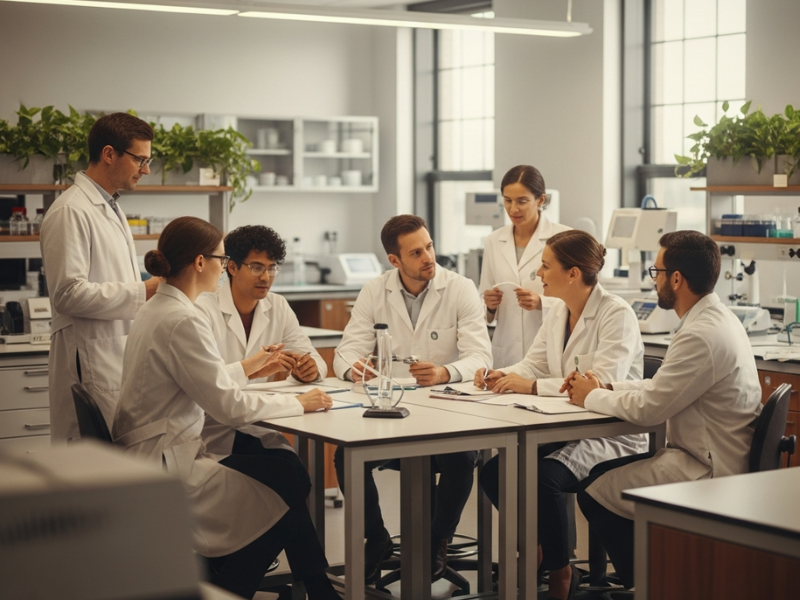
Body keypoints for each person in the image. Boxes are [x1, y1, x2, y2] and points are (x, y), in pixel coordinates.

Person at [112, 216, 341, 600]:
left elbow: (203, 380)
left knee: (286, 472)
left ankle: (287, 586)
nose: (223, 267)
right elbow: (228, 406)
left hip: (163, 446)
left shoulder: (159, 309)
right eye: (222, 259)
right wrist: (298, 403)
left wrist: (251, 367)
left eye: (271, 268)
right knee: (287, 484)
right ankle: (233, 587)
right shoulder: (183, 317)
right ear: (202, 262)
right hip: (169, 460)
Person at [568, 230, 762, 590]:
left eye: (655, 272)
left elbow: (650, 409)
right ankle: (659, 574)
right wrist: (608, 387)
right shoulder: (717, 319)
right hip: (709, 455)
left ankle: (654, 585)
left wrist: (588, 397)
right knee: (600, 475)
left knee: (593, 491)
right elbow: (662, 388)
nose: (653, 280)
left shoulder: (700, 335)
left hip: (708, 470)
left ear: (676, 278)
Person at [475, 230, 648, 600]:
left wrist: (532, 387)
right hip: (567, 428)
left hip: (611, 434)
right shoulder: (557, 312)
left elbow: (598, 385)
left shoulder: (617, 314)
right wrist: (502, 375)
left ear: (573, 273)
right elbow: (533, 364)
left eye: (545, 265)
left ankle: (560, 571)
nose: (539, 273)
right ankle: (540, 546)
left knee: (540, 478)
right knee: (494, 472)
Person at [332, 214, 492, 583]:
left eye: (430, 246)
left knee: (462, 456)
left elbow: (481, 356)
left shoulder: (460, 288)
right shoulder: (375, 290)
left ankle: (437, 541)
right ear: (395, 260)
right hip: (393, 415)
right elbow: (345, 351)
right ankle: (377, 538)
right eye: (417, 252)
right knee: (346, 456)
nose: (428, 257)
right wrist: (354, 367)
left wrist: (443, 372)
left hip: (446, 413)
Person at [40, 112, 162, 442]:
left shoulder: (110, 207)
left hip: (112, 354)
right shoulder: (71, 211)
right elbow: (67, 293)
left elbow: (112, 277)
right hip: (89, 360)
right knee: (91, 475)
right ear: (109, 154)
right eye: (140, 159)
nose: (146, 170)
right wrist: (143, 291)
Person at [195, 225, 327, 457]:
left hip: (258, 421)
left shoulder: (278, 306)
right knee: (286, 470)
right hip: (208, 428)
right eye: (256, 267)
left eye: (272, 268)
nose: (266, 277)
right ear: (232, 267)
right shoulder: (203, 308)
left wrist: (309, 370)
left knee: (292, 469)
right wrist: (251, 369)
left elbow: (313, 358)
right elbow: (207, 384)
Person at [479, 165, 570, 368]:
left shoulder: (564, 238)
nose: (513, 209)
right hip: (505, 352)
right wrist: (490, 305)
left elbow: (578, 300)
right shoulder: (494, 241)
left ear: (540, 200)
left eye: (522, 201)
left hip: (548, 350)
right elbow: (483, 306)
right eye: (508, 201)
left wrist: (541, 303)